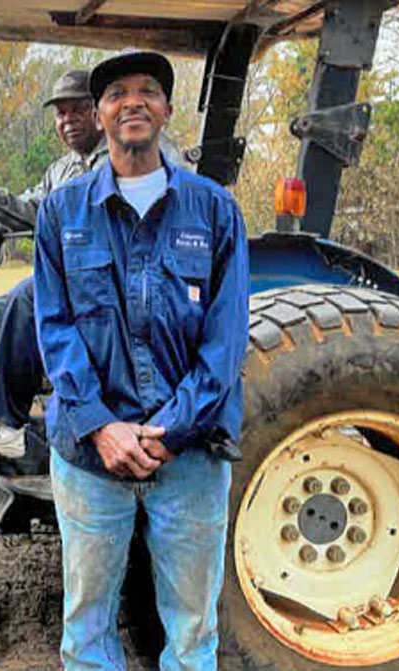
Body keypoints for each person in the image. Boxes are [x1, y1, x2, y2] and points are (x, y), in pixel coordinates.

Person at [33, 50, 249, 671]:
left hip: (190, 459)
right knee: (87, 630)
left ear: (167, 109)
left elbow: (225, 339)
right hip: (90, 459)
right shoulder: (62, 213)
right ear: (98, 116)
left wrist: (170, 432)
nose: (133, 101)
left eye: (148, 91)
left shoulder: (214, 211)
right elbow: (56, 327)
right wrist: (101, 426)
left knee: (190, 634)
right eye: (117, 93)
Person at [0, 69, 102, 458]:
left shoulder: (112, 161)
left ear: (99, 112)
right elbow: (31, 208)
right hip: (68, 279)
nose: (67, 121)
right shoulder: (62, 168)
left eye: (77, 111)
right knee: (0, 309)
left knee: (25, 301)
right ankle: (28, 412)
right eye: (61, 114)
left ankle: (1, 423)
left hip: (95, 280)